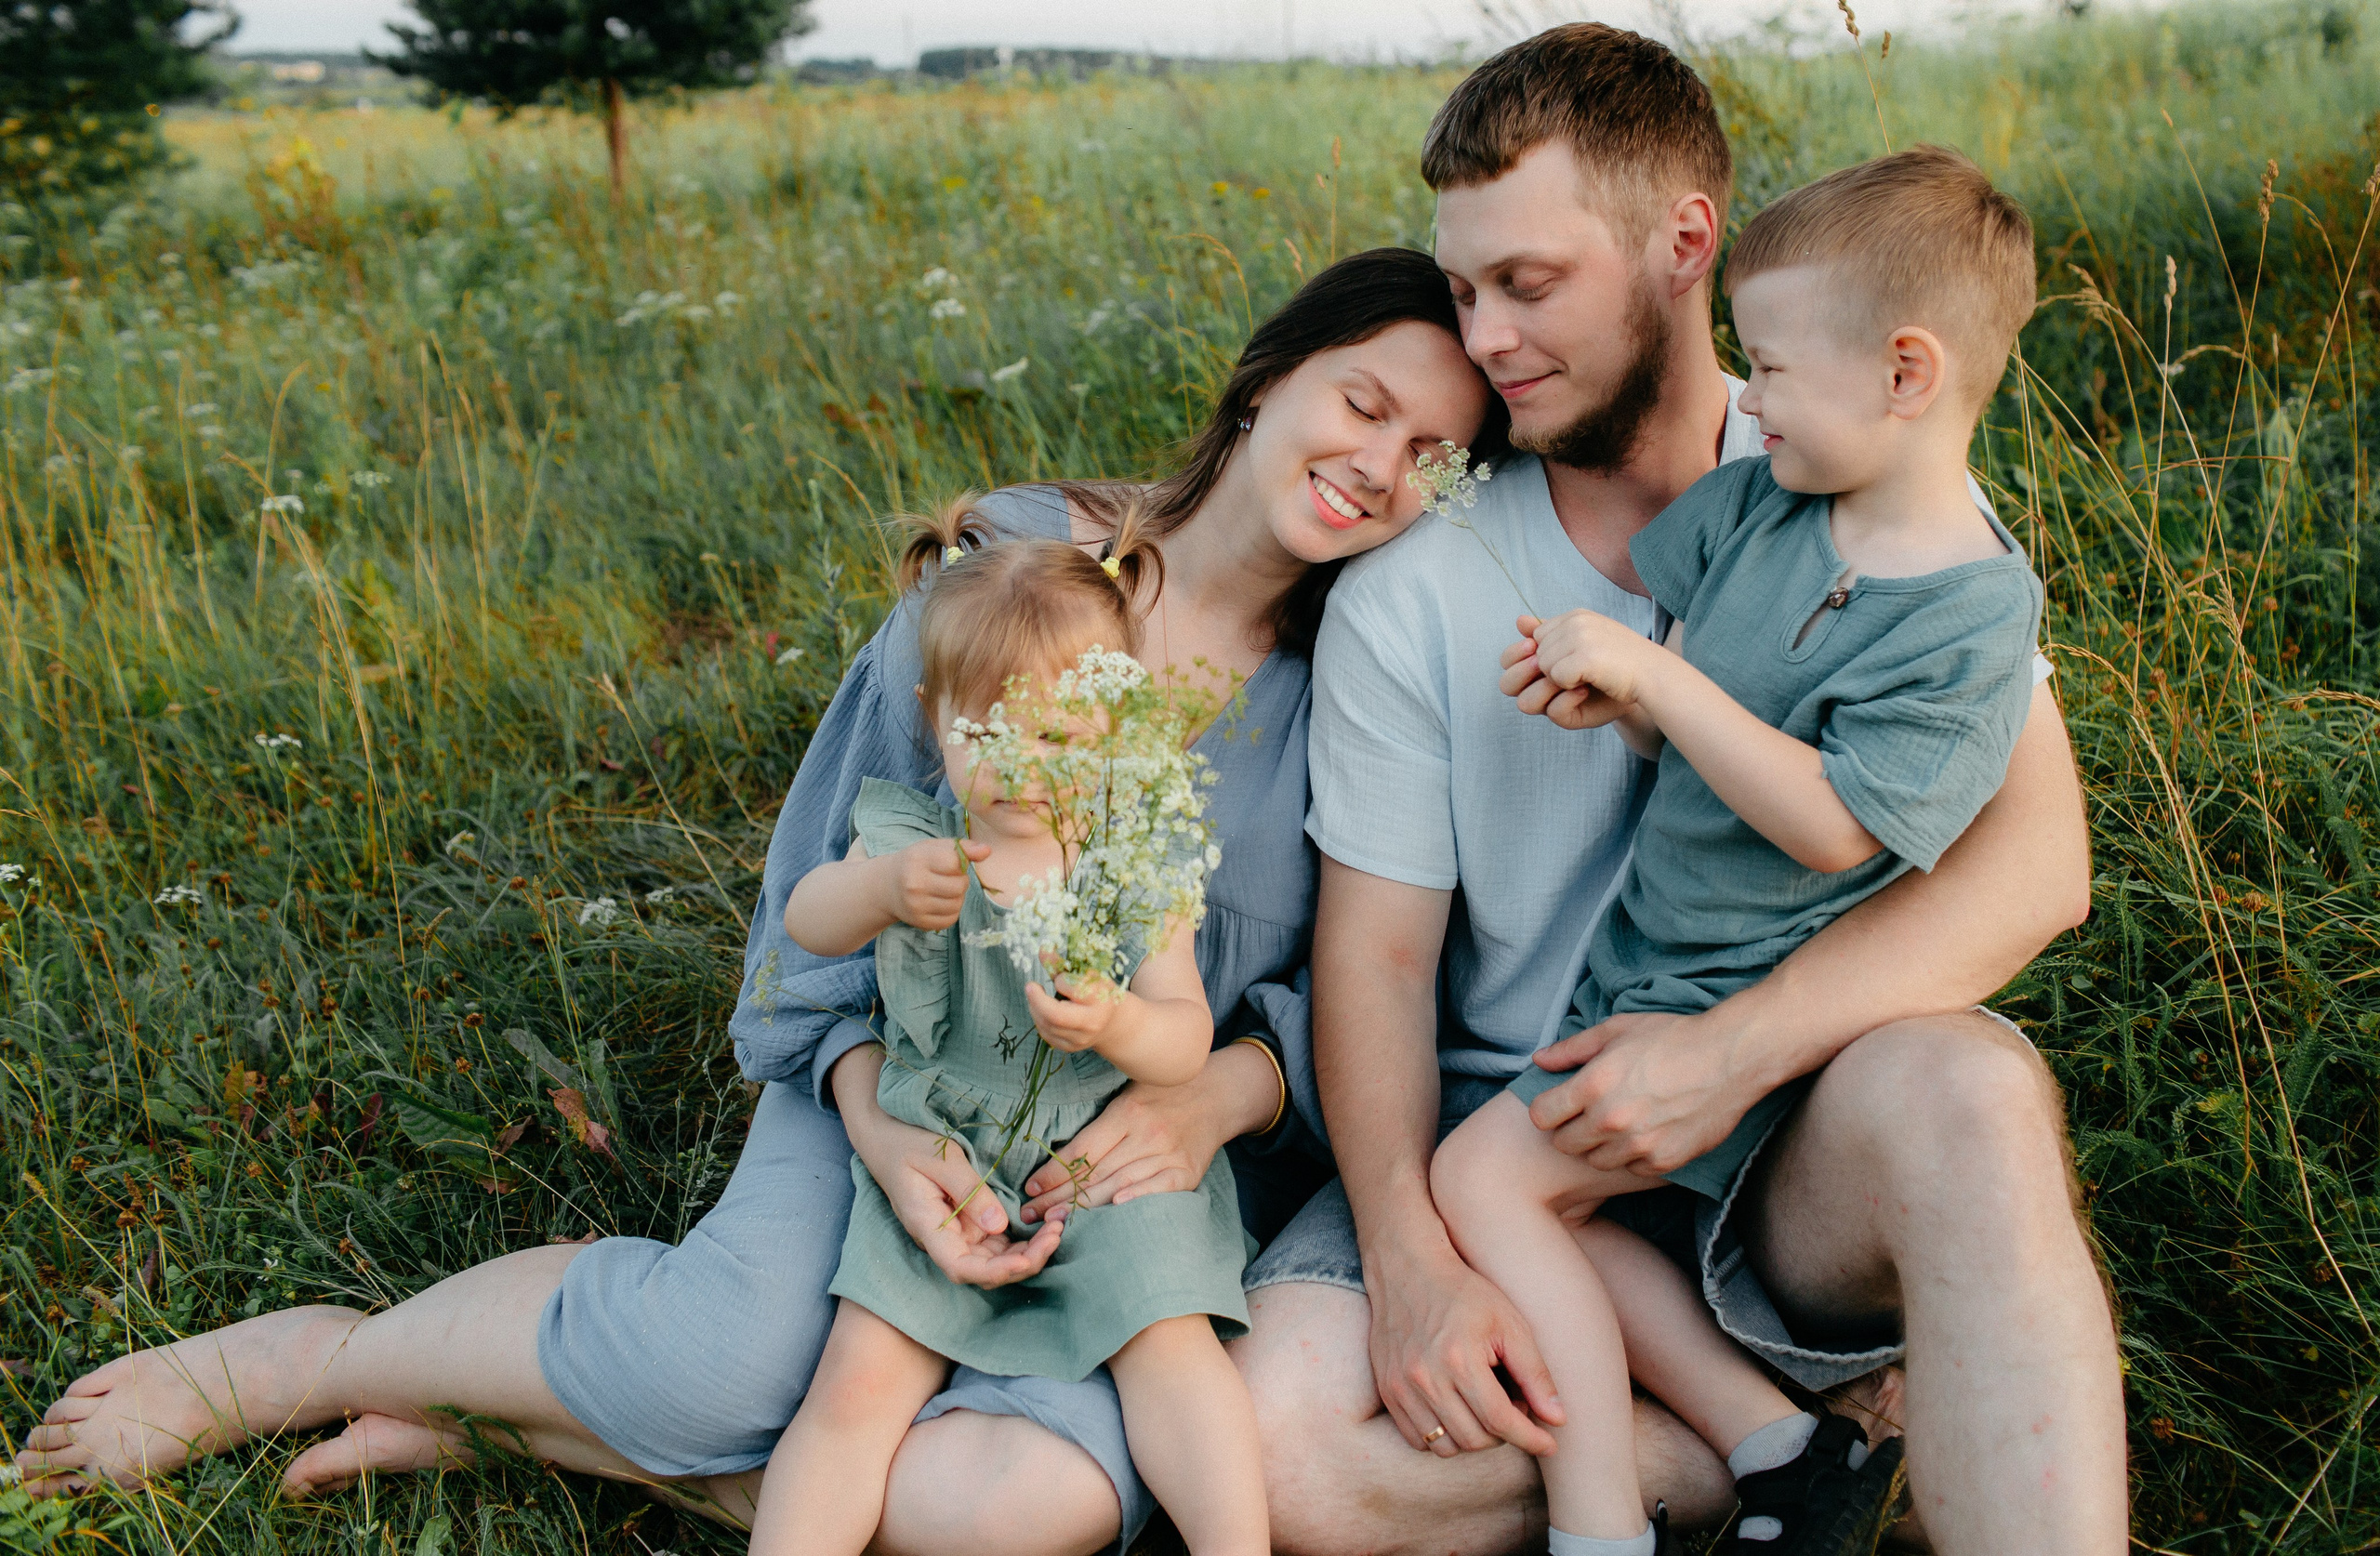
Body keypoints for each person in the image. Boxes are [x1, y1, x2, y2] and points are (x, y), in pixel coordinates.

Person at [15, 247, 1498, 1556]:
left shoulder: (1369, 675)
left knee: (1006, 1508)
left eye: (1433, 451)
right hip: (904, 1063)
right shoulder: (1018, 571)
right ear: (1267, 378)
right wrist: (877, 1121)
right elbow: (823, 877)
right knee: (722, 1366)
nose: (1380, 464)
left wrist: (1214, 1098)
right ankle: (322, 1358)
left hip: (1128, 1149)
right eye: (1362, 403)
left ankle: (527, 1423)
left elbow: (1369, 987)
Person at [1230, 25, 2128, 1556]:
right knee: (1284, 1449)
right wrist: (1408, 1254)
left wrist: (1729, 1054)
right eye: (1462, 289)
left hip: (1788, 1123)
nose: (1486, 337)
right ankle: (1820, 1446)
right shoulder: (1417, 581)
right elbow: (1373, 960)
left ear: (1683, 244)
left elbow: (2041, 864)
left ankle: (1898, 1446)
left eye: (1529, 283)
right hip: (1514, 1126)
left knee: (1973, 1095)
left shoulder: (1876, 479)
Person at [1429, 146, 2047, 1556]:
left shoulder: (1970, 613)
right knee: (1552, 1219)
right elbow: (1703, 710)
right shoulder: (1768, 504)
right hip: (1647, 967)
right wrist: (1631, 710)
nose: (1745, 401)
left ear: (1905, 373)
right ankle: (1784, 1447)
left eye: (1769, 369)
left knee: (1478, 1183)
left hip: (1744, 1001)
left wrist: (1658, 682)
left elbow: (1832, 824)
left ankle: (1599, 1523)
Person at [758, 510, 1266, 1556]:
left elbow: (1185, 1039)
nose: (1025, 767)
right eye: (987, 733)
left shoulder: (1133, 856)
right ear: (932, 715)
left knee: (1173, 1350)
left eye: (1063, 738)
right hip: (946, 1140)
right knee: (856, 1380)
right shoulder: (916, 839)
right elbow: (805, 920)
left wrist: (1120, 1022)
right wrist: (877, 889)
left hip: (1102, 1154)